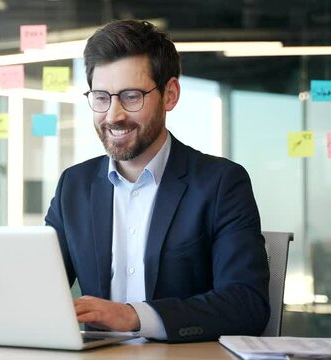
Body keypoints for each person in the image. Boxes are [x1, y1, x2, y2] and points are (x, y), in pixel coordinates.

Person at [44, 19, 270, 343]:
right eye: (101, 97)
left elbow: (247, 304)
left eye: (131, 96)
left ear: (170, 95)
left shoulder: (221, 184)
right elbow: (40, 291)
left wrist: (135, 316)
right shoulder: (74, 186)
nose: (113, 115)